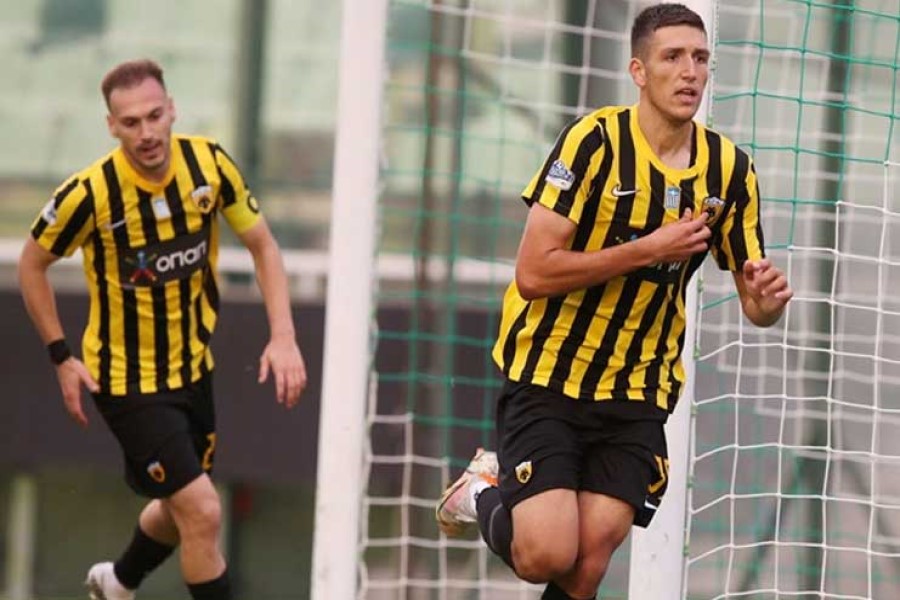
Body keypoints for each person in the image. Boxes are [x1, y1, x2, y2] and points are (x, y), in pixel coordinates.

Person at [435, 4, 793, 599]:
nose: (690, 72)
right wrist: (648, 249)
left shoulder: (730, 171)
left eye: (700, 58)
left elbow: (756, 306)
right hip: (551, 372)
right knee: (547, 554)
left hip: (639, 384)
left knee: (588, 566)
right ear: (638, 71)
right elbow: (533, 272)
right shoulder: (594, 143)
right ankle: (480, 491)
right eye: (672, 57)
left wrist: (767, 301)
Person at [17, 59, 308, 600]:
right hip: (125, 381)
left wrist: (283, 335)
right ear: (112, 126)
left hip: (193, 369)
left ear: (172, 110)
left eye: (154, 116)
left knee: (180, 510)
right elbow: (32, 264)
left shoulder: (209, 165)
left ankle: (118, 581)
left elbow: (263, 246)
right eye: (131, 122)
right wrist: (61, 356)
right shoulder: (91, 193)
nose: (146, 132)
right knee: (203, 509)